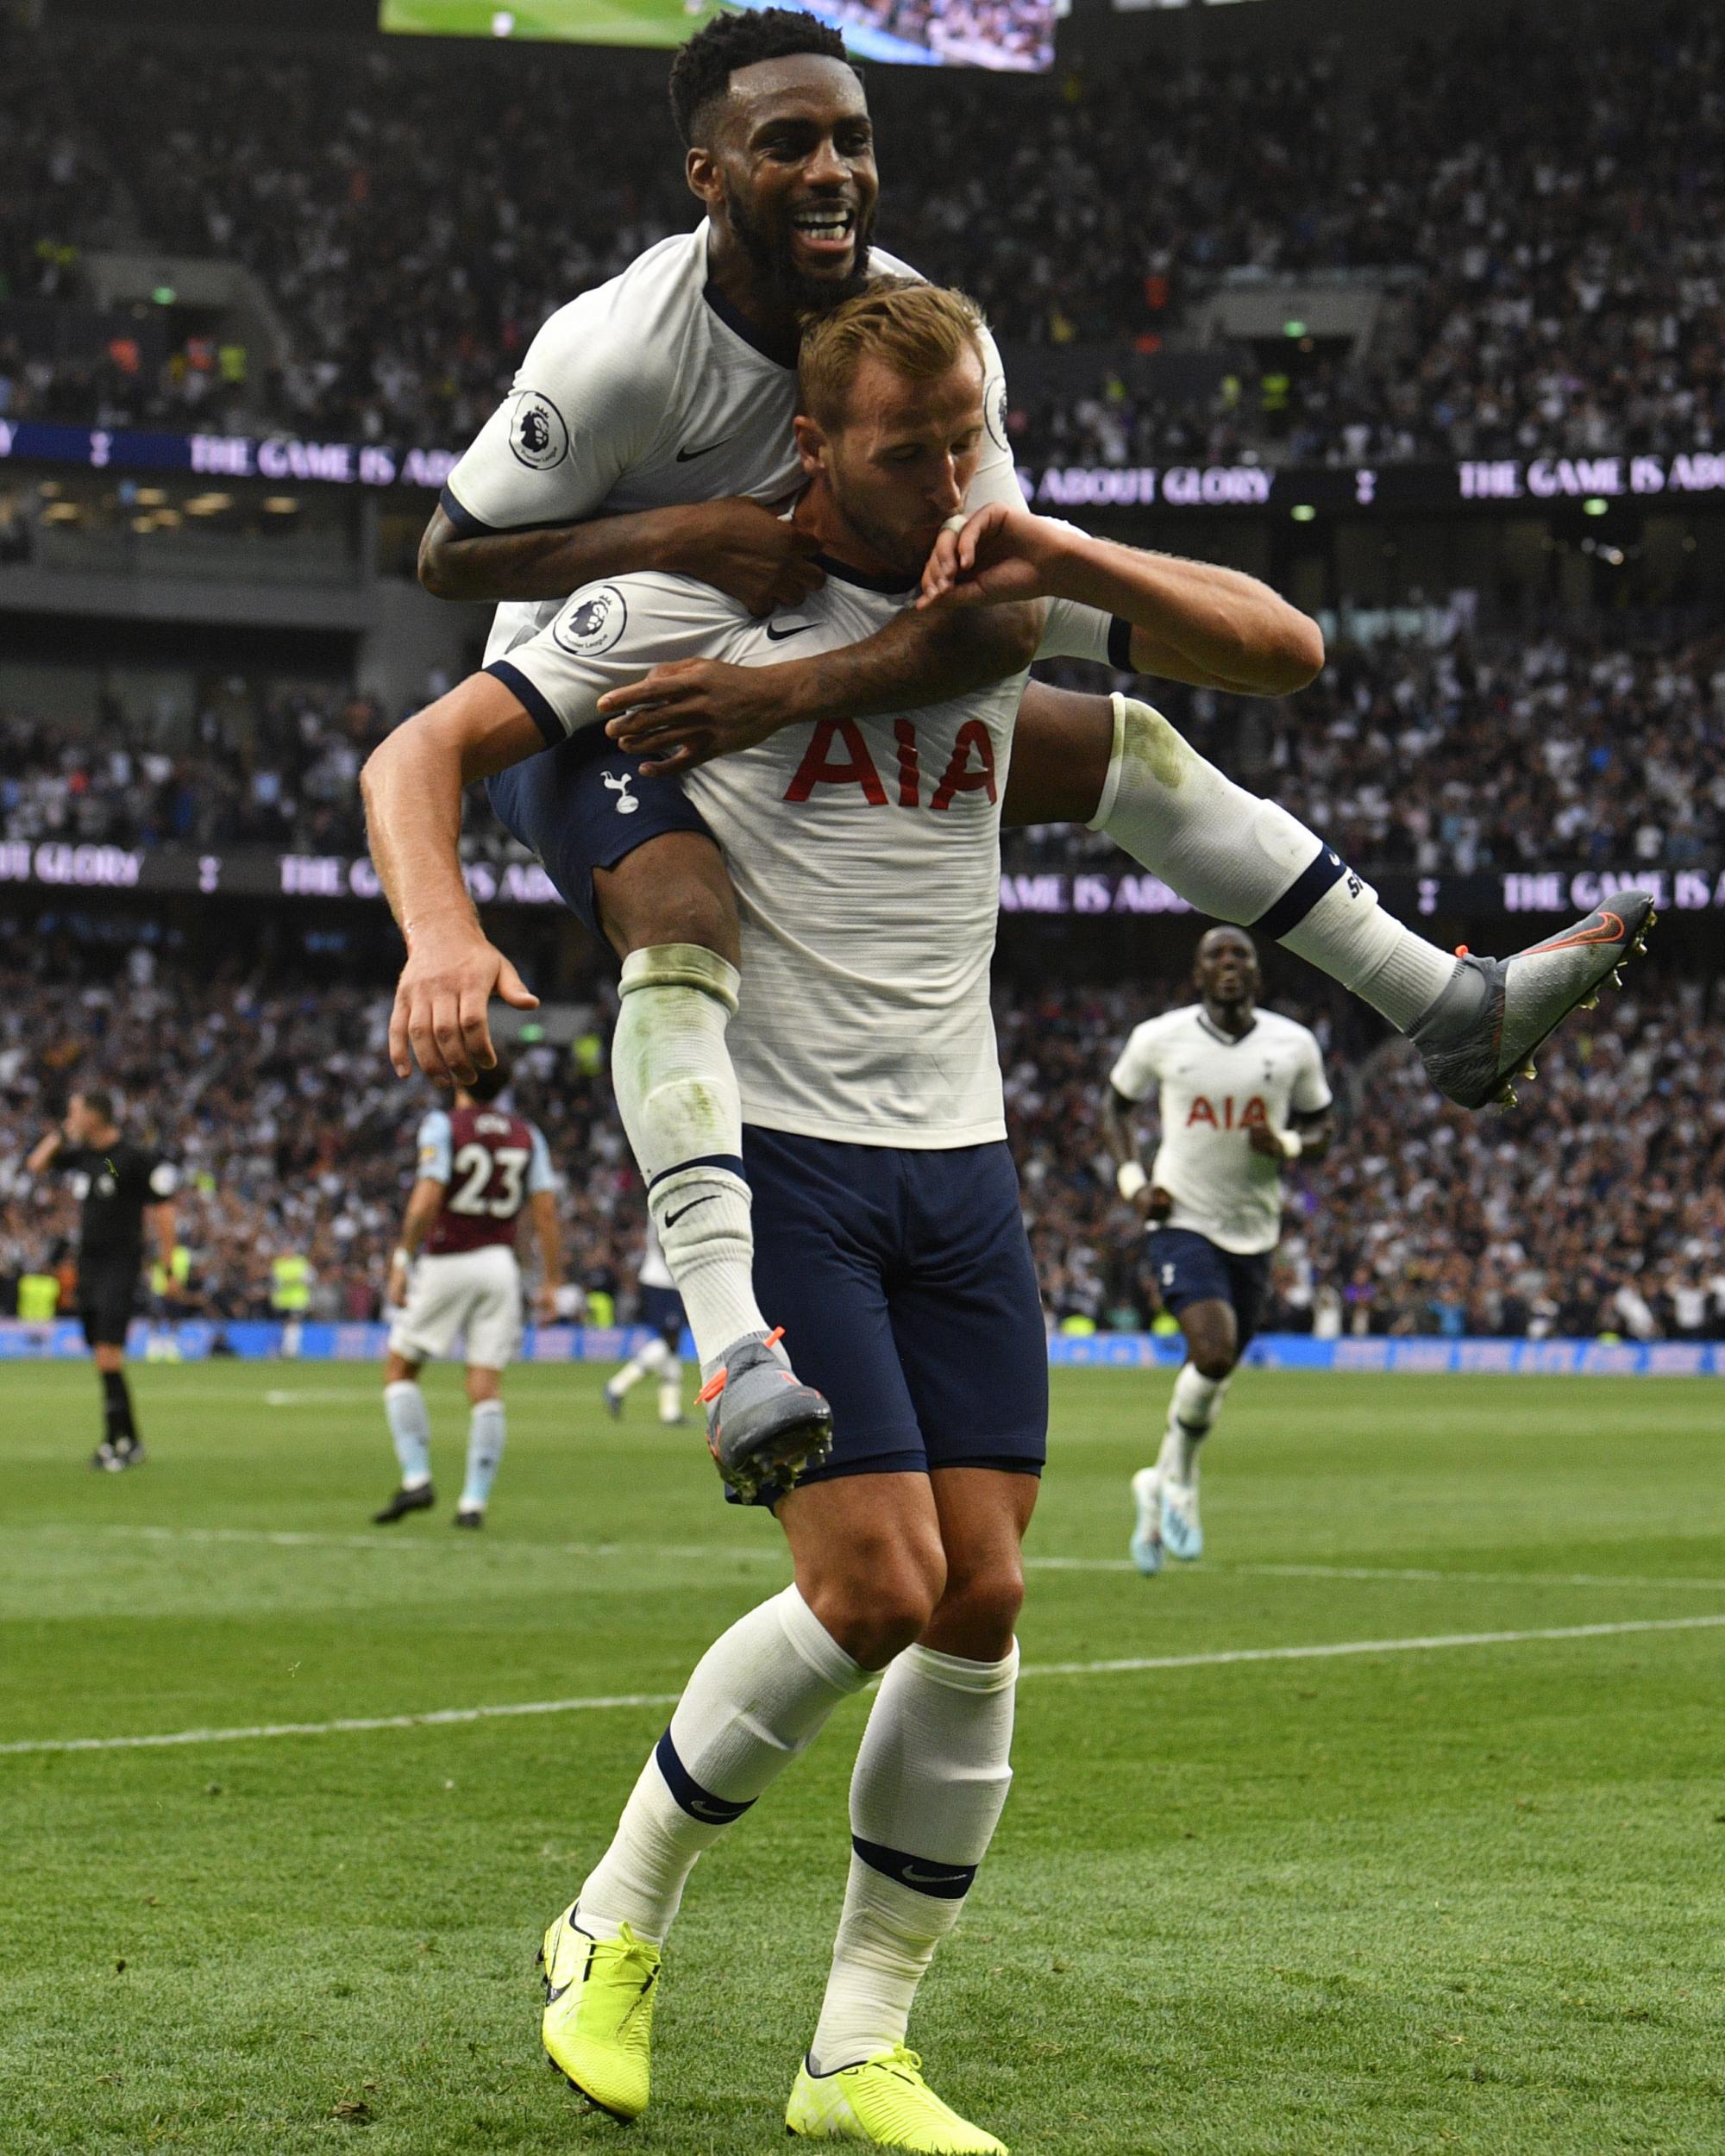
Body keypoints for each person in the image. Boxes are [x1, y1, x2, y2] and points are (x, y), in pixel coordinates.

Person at [367, 278, 1389, 2152]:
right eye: (907, 449)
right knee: (871, 1588)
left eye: (965, 438)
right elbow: (416, 752)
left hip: (960, 1156)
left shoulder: (988, 591)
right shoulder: (678, 602)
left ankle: (858, 2050)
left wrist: (1057, 544)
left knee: (981, 1597)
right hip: (785, 1152)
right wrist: (444, 930)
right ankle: (611, 1915)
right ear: (811, 447)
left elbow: (1283, 650)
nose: (945, 475)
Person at [417, 8, 1655, 1461]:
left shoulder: (925, 336)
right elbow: (450, 556)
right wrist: (683, 535)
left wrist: (794, 687)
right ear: (709, 173)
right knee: (683, 909)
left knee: (1127, 751)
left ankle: (1442, 1006)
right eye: (789, 143)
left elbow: (996, 606)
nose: (832, 170)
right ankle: (731, 1345)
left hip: (793, 649)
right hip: (600, 691)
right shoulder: (620, 350)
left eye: (853, 138)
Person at [1104, 929, 1334, 1575]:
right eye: (1216, 956)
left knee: (1216, 1371)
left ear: (1257, 975)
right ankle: (1182, 1483)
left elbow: (1322, 1125)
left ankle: (1157, 1484)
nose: (1229, 965)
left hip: (1255, 1230)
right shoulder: (1160, 1038)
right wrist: (1135, 1185)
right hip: (1181, 1217)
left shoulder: (1293, 1045)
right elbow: (1114, 1109)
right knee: (1212, 1351)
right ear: (1198, 974)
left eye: (1241, 956)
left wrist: (1287, 1144)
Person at [373, 1057, 561, 1530]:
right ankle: (473, 1503)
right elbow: (544, 1212)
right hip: (500, 1266)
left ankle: (417, 1477)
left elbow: (428, 1197)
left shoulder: (444, 1125)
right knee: (485, 1386)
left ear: (459, 1080)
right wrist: (552, 1280)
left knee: (400, 1368)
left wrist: (402, 1257)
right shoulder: (527, 1135)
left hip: (448, 1259)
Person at [26, 1087, 179, 1471]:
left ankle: (115, 1442)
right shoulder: (86, 1157)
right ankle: (131, 1441)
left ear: (94, 1115)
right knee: (102, 1356)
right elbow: (36, 1165)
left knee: (109, 1353)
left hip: (120, 1265)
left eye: (75, 1111)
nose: (70, 1117)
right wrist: (62, 1134)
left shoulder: (133, 1158)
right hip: (89, 1267)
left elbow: (163, 1212)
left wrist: (168, 1267)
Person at [604, 1221, 688, 1426]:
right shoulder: (665, 1205)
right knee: (670, 1342)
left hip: (664, 1281)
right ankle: (616, 1386)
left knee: (672, 1344)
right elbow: (663, 1240)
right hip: (662, 1281)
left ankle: (670, 1412)